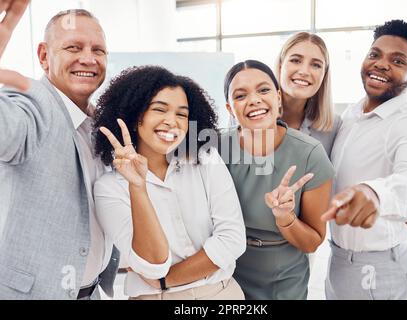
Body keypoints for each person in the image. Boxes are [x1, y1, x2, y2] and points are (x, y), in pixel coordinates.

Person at [93, 65, 246, 300]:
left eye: (182, 114)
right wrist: (138, 187)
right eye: (159, 109)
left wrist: (166, 280)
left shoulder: (205, 159)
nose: (172, 122)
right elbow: (152, 265)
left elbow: (233, 240)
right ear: (135, 116)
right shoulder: (109, 188)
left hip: (222, 293)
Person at [0, 5, 118, 299]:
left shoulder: (101, 125)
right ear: (44, 56)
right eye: (73, 47)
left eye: (98, 50)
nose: (88, 58)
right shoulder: (28, 105)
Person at [321, 20, 407, 300]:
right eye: (375, 54)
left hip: (375, 270)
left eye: (397, 60)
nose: (381, 64)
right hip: (339, 258)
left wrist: (375, 193)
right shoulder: (352, 113)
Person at [220, 60, 334, 299]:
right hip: (224, 274)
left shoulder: (309, 154)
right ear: (230, 109)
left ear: (279, 98)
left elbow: (312, 242)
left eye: (263, 90)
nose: (254, 100)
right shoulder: (216, 148)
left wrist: (286, 218)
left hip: (282, 280)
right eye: (241, 95)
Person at [275, 32, 341, 157]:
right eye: (295, 60)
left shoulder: (334, 127)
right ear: (280, 66)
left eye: (316, 65)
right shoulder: (247, 112)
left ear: (324, 75)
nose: (304, 72)